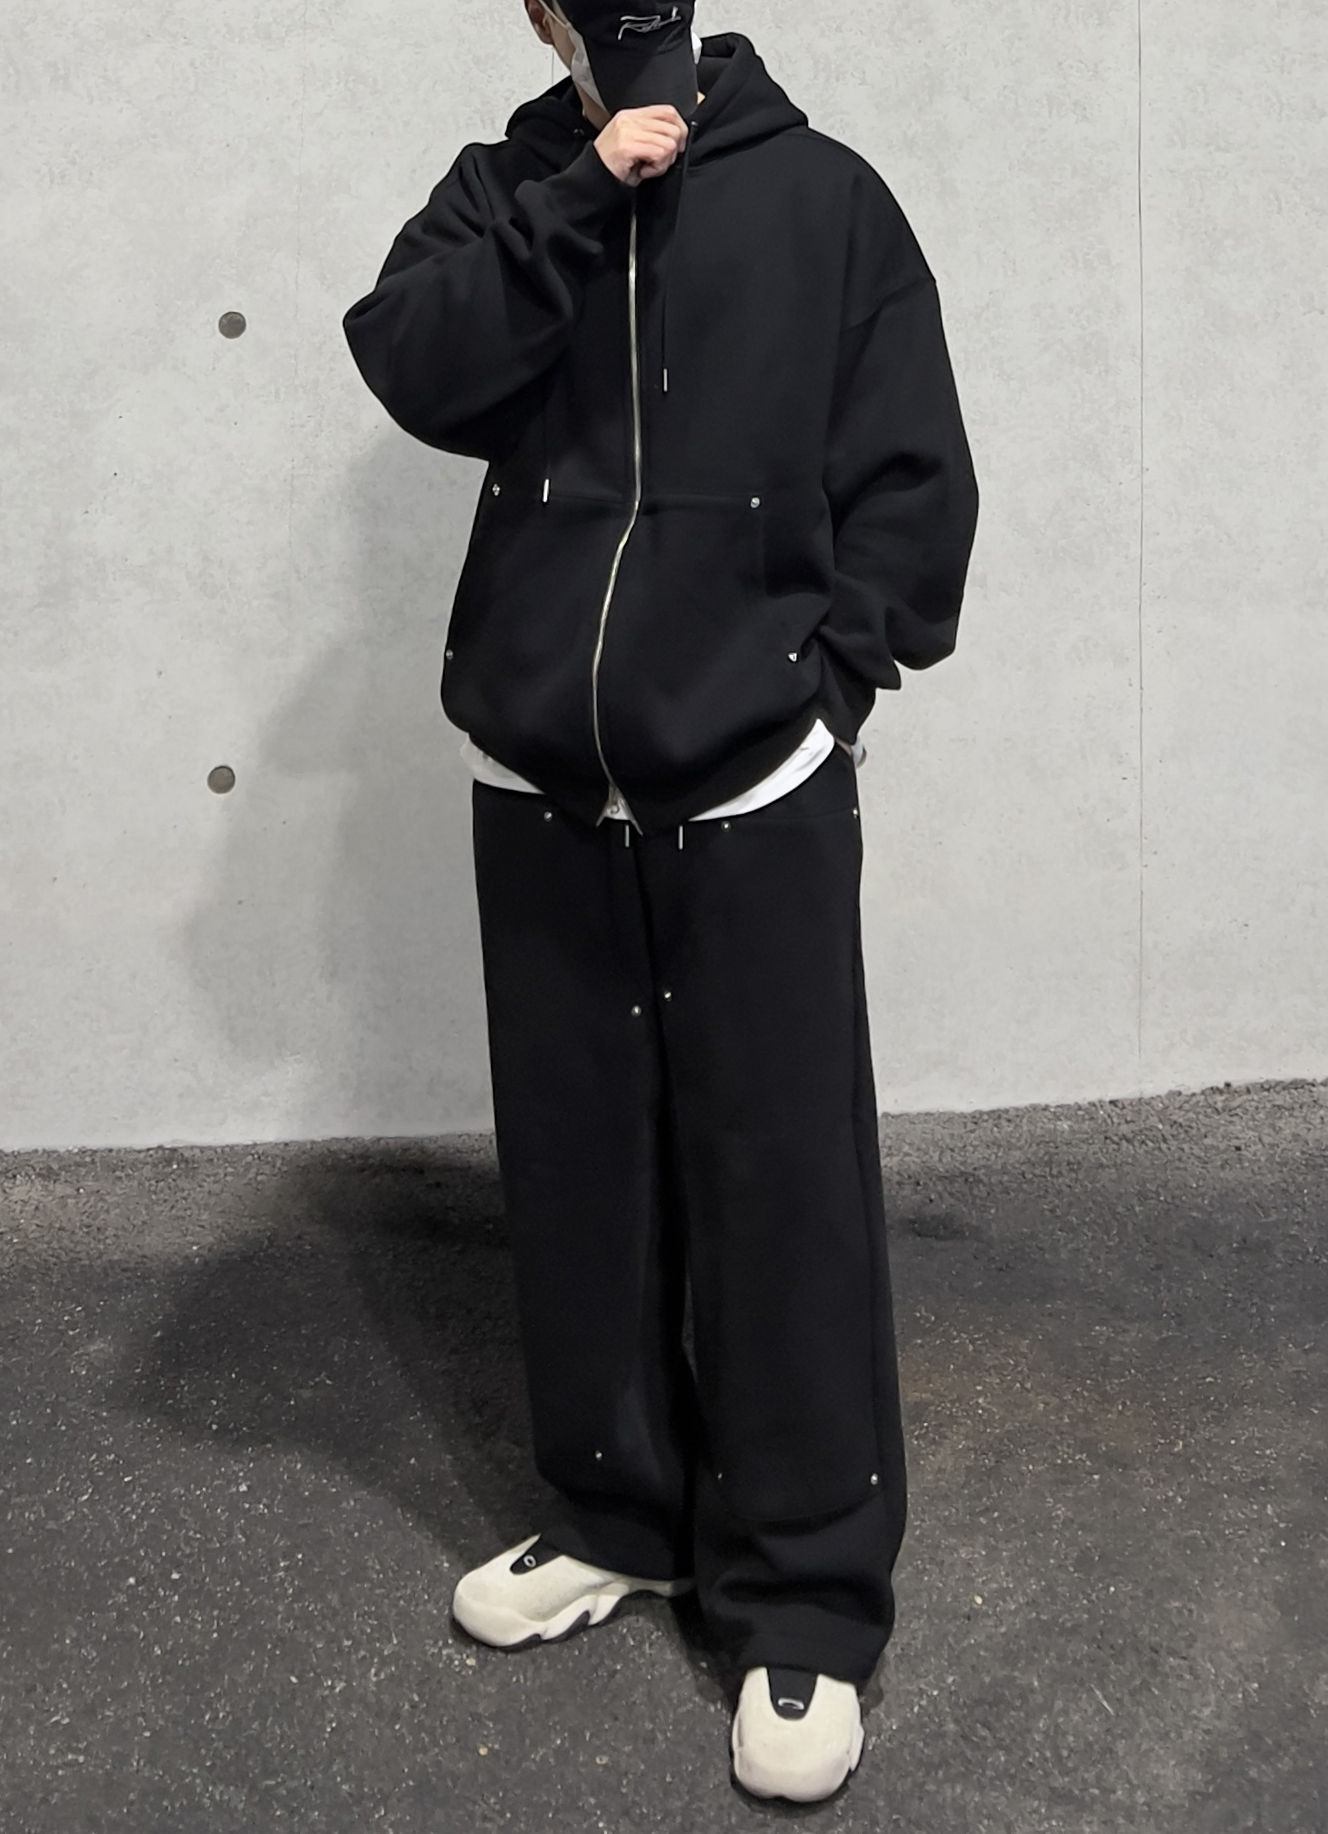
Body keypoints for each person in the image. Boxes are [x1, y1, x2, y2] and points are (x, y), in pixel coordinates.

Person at [342, 0, 977, 1803]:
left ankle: (805, 1596)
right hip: (543, 772)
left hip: (751, 777)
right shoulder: (504, 190)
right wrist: (583, 198)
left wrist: (826, 689)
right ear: (539, 15)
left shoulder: (825, 199)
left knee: (780, 1179)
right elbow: (415, 370)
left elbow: (914, 475)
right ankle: (618, 1515)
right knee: (579, 1167)